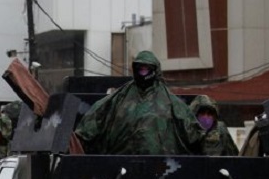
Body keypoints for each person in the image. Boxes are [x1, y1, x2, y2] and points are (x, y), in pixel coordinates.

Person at [75, 50, 204, 155]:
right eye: (139, 69)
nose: (142, 73)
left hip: (161, 169)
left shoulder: (171, 103)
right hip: (121, 167)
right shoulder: (119, 98)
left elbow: (193, 134)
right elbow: (93, 120)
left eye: (146, 69)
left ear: (154, 70)